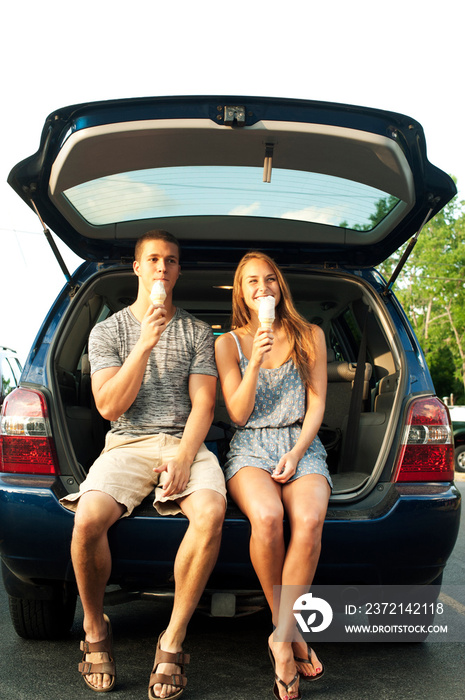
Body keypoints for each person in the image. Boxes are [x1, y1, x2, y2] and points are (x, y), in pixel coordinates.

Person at [61, 230, 227, 699]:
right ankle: (96, 629)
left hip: (185, 442)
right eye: (153, 259)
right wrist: (145, 343)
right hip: (126, 444)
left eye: (171, 261)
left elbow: (204, 406)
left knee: (212, 513)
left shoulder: (196, 331)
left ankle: (172, 639)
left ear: (177, 271)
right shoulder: (108, 331)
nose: (162, 268)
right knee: (88, 519)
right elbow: (110, 407)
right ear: (136, 267)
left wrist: (183, 454)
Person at [215, 251, 332, 700]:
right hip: (250, 446)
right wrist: (256, 360)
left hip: (300, 442)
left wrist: (298, 451)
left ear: (280, 286)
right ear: (241, 293)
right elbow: (239, 415)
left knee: (308, 520)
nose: (262, 288)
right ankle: (290, 631)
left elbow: (317, 403)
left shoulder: (311, 335)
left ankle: (281, 637)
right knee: (266, 519)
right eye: (251, 282)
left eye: (269, 280)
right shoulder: (228, 344)